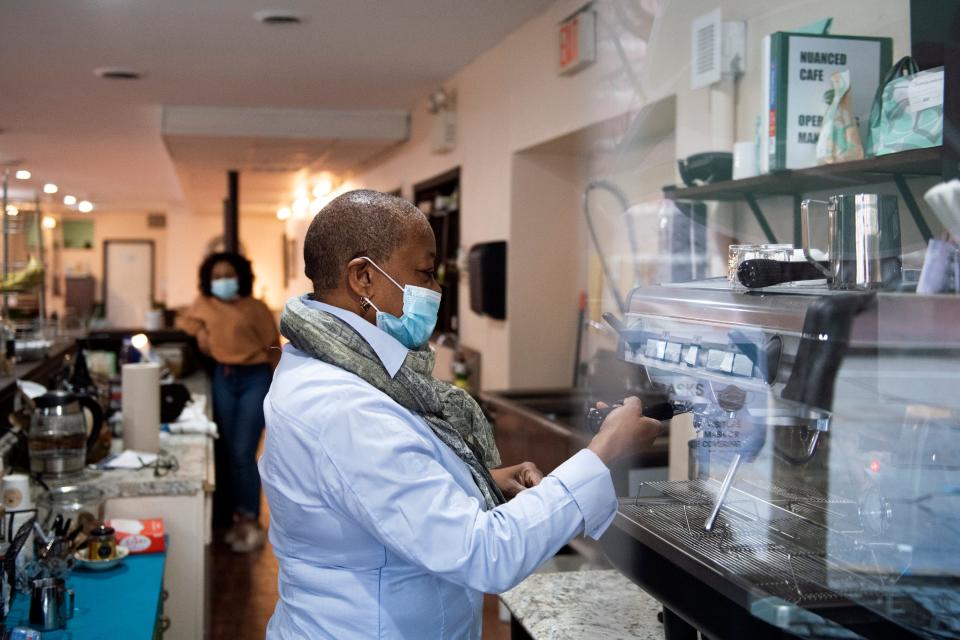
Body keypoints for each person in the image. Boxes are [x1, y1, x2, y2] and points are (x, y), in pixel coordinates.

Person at [259, 190, 660, 638]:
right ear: (363, 279)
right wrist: (604, 453)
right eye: (426, 274)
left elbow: (386, 489)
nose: (436, 292)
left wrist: (478, 480)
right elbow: (484, 554)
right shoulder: (344, 406)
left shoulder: (336, 365)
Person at [179, 251, 279, 553]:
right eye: (217, 276)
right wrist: (199, 331)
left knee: (242, 452)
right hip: (223, 378)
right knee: (226, 451)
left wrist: (279, 386)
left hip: (254, 379)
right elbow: (184, 320)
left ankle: (250, 520)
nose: (223, 280)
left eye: (228, 274)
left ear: (241, 276)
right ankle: (235, 518)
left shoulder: (256, 308)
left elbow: (273, 346)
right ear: (209, 280)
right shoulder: (204, 305)